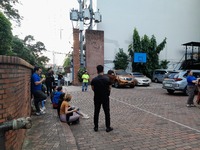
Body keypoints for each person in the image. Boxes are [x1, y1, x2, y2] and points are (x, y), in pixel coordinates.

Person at [91, 65, 113, 132]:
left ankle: (96, 127)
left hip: (97, 97)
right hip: (105, 97)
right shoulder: (107, 79)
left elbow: (92, 88)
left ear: (97, 71)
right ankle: (108, 127)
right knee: (107, 112)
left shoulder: (94, 80)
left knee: (96, 112)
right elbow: (110, 88)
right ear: (103, 70)